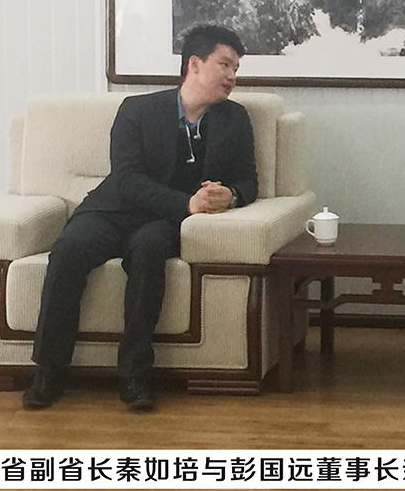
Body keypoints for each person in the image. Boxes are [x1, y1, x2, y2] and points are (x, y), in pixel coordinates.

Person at [22, 25, 257, 412]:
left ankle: (135, 375)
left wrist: (229, 195)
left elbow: (249, 181)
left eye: (236, 68)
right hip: (113, 210)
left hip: (161, 223)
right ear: (194, 65)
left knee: (149, 253)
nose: (232, 76)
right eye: (225, 65)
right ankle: (49, 370)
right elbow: (127, 180)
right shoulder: (137, 110)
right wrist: (187, 204)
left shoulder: (235, 119)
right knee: (67, 251)